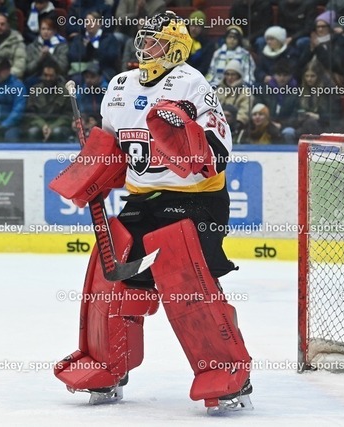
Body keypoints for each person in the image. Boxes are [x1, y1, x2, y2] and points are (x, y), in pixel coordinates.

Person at [51, 11, 253, 413]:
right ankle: (109, 363)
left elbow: (219, 151)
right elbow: (112, 148)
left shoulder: (191, 83)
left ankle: (228, 371)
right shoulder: (120, 86)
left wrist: (188, 143)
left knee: (186, 282)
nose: (145, 46)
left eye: (155, 40)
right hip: (143, 199)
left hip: (196, 201)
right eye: (143, 38)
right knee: (112, 276)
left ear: (176, 48)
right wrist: (93, 171)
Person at [25, 62, 71, 141]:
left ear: (57, 76)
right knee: (32, 132)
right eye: (45, 75)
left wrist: (52, 127)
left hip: (59, 125)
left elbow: (68, 115)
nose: (48, 79)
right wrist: (43, 125)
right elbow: (30, 114)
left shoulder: (65, 92)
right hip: (39, 124)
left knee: (57, 132)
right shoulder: (34, 90)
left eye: (51, 76)